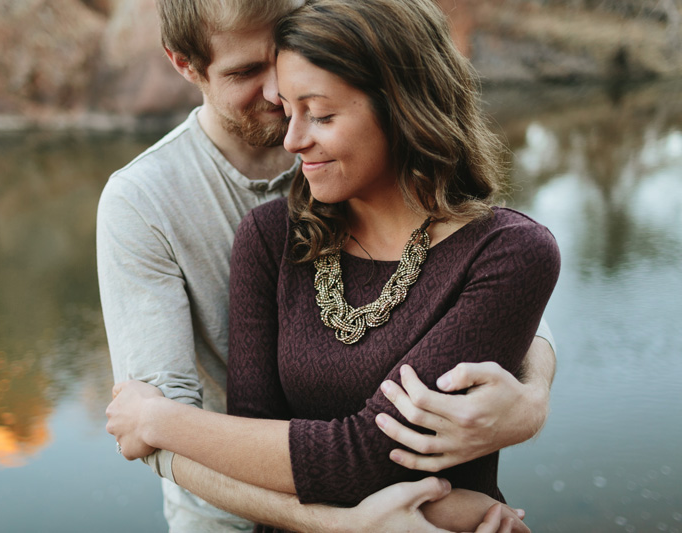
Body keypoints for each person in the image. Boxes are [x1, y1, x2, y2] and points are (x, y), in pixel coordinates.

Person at [98, 0, 557, 531]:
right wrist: (346, 525)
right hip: (227, 509)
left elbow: (501, 288)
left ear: (399, 107)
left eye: (312, 108)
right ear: (185, 65)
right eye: (248, 71)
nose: (276, 98)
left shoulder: (496, 243)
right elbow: (149, 433)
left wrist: (533, 399)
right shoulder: (155, 205)